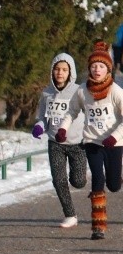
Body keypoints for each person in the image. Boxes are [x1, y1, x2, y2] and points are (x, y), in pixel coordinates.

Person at [57, 40, 123, 240]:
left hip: (114, 143)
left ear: (108, 69)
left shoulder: (115, 91)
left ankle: (118, 177)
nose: (97, 70)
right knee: (97, 178)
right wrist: (63, 128)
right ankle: (98, 226)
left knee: (113, 184)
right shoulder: (82, 91)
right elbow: (71, 111)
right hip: (93, 142)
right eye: (93, 66)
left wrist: (115, 136)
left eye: (101, 66)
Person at [31, 53, 87, 228]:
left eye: (64, 69)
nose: (60, 73)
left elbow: (89, 113)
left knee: (78, 181)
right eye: (57, 69)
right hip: (55, 143)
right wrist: (39, 126)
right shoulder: (47, 93)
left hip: (77, 143)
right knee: (58, 179)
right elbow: (42, 117)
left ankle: (77, 177)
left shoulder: (79, 91)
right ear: (52, 71)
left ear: (71, 72)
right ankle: (70, 215)